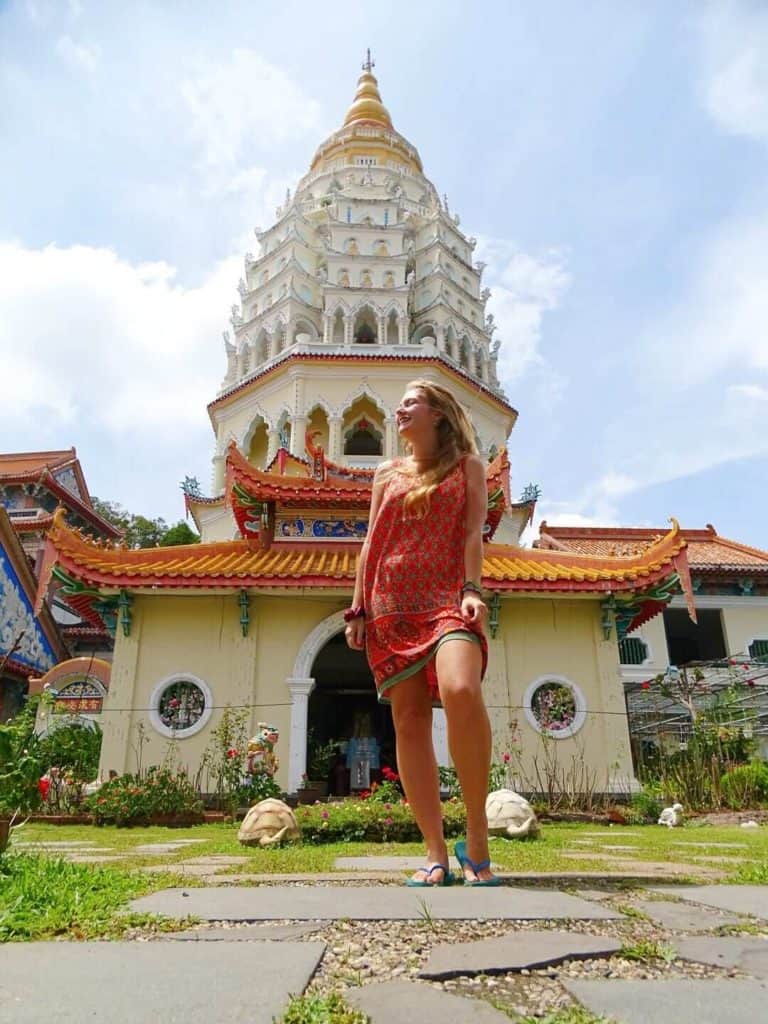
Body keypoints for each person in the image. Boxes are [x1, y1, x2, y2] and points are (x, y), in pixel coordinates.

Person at [345, 379, 499, 886]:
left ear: (438, 413)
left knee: (461, 689)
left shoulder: (467, 466)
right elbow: (371, 542)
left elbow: (472, 532)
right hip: (390, 605)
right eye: (400, 403)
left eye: (411, 402)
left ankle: (476, 834)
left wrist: (472, 589)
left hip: (448, 599)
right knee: (409, 721)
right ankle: (435, 851)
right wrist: (357, 607)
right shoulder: (386, 473)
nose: (400, 409)